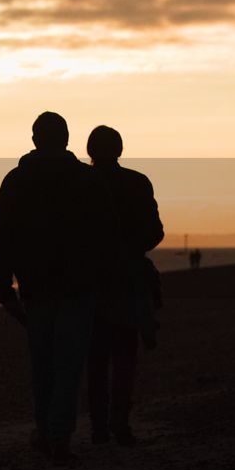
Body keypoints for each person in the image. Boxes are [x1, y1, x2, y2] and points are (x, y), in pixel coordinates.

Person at [0, 112, 111, 464]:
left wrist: (2, 287)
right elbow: (105, 234)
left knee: (43, 364)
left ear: (34, 139)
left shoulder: (15, 180)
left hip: (36, 286)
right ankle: (57, 434)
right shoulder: (87, 180)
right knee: (69, 364)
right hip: (77, 286)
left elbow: (2, 236)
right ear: (67, 138)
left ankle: (48, 431)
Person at [85, 125, 164, 447]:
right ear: (119, 149)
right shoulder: (137, 182)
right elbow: (155, 232)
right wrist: (131, 247)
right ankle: (119, 423)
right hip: (128, 278)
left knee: (96, 359)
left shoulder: (80, 183)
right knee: (124, 356)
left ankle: (100, 427)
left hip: (89, 280)